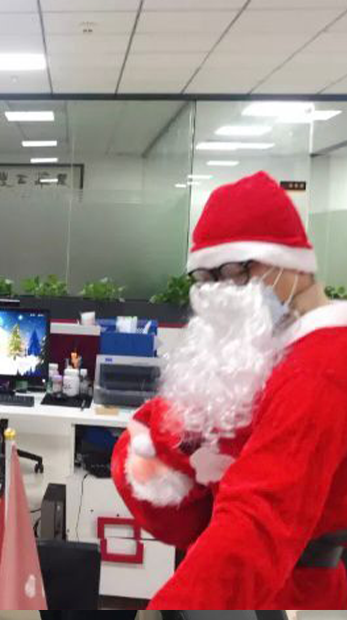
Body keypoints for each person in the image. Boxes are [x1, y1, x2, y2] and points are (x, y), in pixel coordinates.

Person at [111, 171, 347, 608]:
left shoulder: (320, 367)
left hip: (281, 594)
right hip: (246, 584)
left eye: (236, 272)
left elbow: (259, 521)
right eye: (206, 278)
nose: (220, 291)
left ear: (293, 263)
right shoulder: (273, 350)